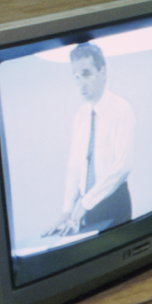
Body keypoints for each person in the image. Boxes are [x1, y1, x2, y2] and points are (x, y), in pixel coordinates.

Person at [43, 41, 135, 236]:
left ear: (102, 72)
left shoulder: (122, 109)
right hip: (87, 209)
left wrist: (84, 204)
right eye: (76, 77)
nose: (80, 83)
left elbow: (122, 166)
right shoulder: (80, 116)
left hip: (114, 203)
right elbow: (75, 167)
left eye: (86, 74)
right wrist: (67, 211)